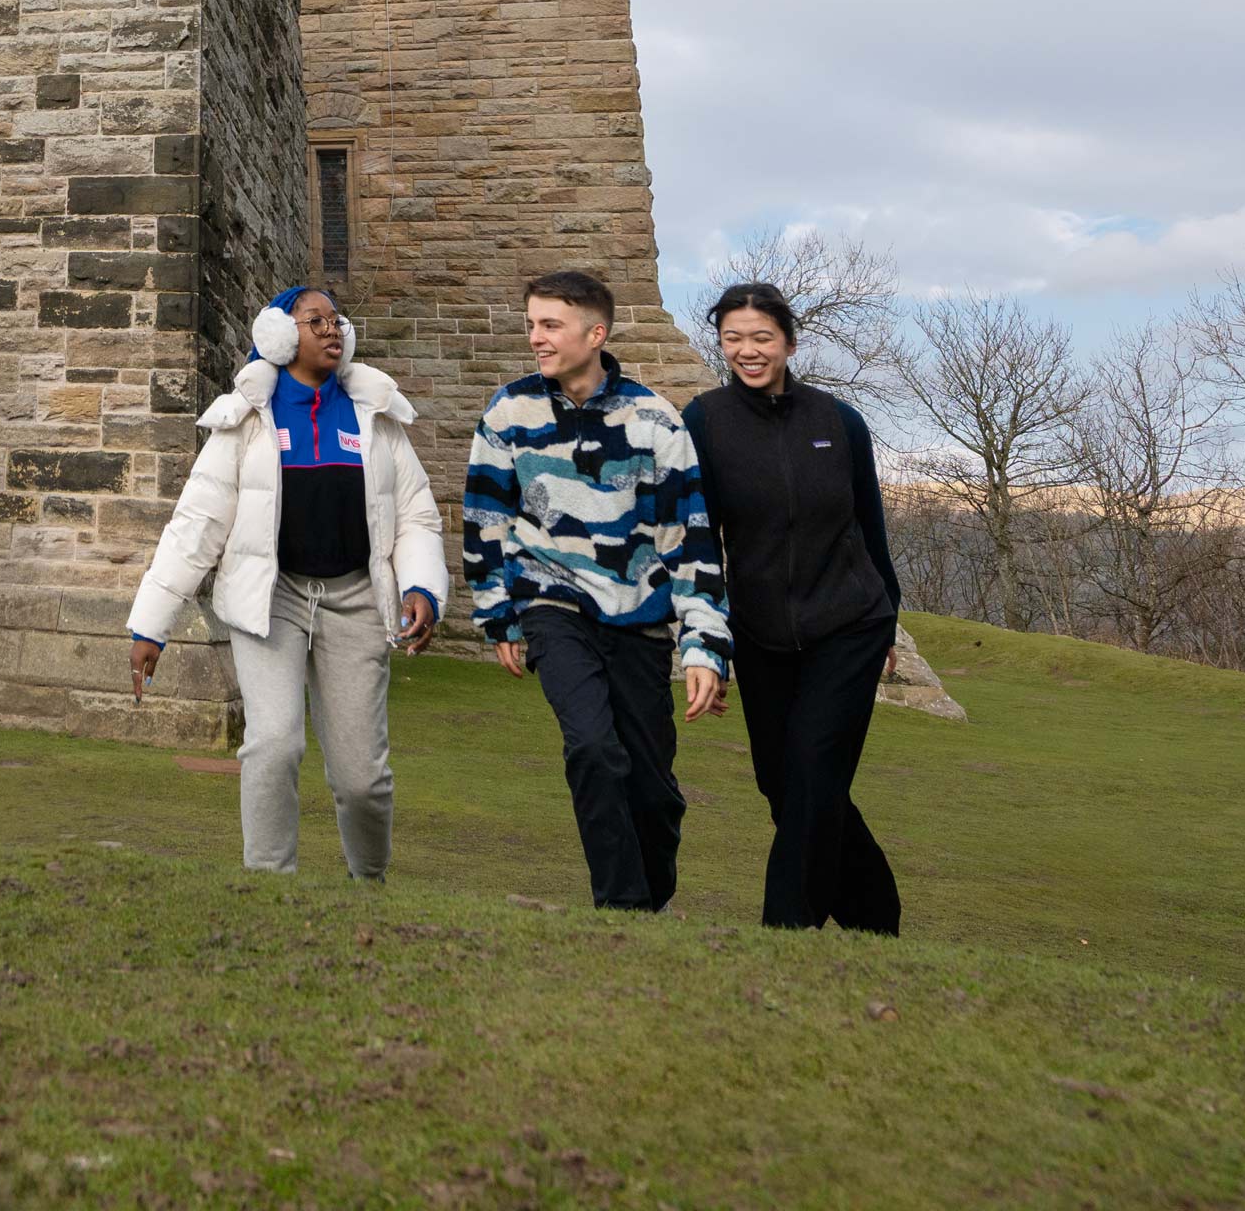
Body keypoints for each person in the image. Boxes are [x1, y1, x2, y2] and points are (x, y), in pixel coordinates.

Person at [126, 288, 446, 880]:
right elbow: (195, 528)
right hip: (271, 603)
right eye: (314, 320)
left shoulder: (375, 416)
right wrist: (151, 623)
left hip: (355, 603)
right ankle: (270, 892)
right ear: (277, 335)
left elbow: (416, 518)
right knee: (272, 746)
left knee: (361, 778)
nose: (331, 330)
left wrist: (421, 588)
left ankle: (370, 885)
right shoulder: (245, 421)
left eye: (336, 321)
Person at [462, 269, 729, 912]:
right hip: (551, 603)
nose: (536, 338)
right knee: (592, 749)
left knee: (653, 791)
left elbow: (688, 539)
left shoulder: (655, 421)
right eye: (531, 324)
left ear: (596, 333)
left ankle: (651, 899)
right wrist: (499, 614)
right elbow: (484, 518)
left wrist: (704, 648)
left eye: (550, 325)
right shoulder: (509, 412)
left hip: (639, 618)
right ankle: (622, 910)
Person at [682, 280, 904, 935]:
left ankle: (787, 931)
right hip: (760, 634)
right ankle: (873, 914)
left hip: (849, 625)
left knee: (812, 768)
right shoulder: (705, 422)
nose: (748, 351)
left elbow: (869, 528)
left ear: (788, 342)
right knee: (785, 785)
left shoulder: (839, 423)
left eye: (762, 338)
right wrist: (710, 645)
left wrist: (887, 618)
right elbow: (701, 543)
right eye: (733, 339)